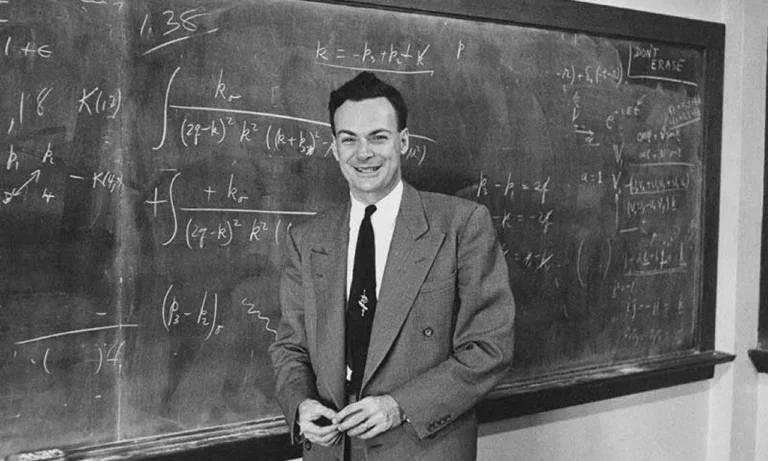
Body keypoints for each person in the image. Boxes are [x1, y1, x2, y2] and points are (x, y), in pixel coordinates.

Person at [269, 71, 515, 461]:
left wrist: (399, 405)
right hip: (333, 452)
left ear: (403, 142)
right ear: (334, 148)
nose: (363, 153)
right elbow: (290, 347)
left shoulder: (461, 225)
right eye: (348, 139)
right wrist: (301, 405)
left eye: (378, 137)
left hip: (423, 449)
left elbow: (489, 348)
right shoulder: (307, 239)